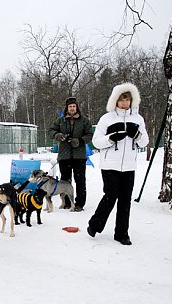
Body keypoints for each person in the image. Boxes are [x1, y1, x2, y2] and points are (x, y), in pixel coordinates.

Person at [87, 83, 149, 245]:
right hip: (109, 165)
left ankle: (122, 233)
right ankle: (95, 224)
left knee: (125, 200)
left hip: (129, 166)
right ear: (115, 100)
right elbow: (96, 142)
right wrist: (110, 138)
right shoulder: (106, 119)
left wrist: (137, 135)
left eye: (128, 100)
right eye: (122, 100)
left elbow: (145, 142)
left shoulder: (138, 118)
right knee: (110, 196)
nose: (125, 103)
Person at [50, 96, 92, 212]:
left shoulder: (84, 121)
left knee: (80, 181)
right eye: (70, 106)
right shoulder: (60, 120)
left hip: (79, 156)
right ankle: (66, 203)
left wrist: (80, 141)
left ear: (77, 107)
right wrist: (57, 136)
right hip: (64, 156)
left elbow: (90, 134)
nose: (72, 108)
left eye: (74, 106)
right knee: (65, 181)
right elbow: (51, 131)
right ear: (67, 108)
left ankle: (79, 203)